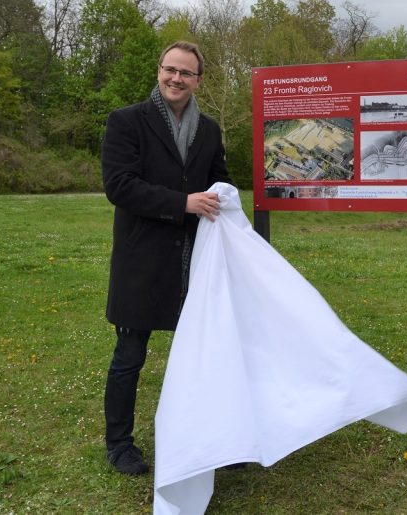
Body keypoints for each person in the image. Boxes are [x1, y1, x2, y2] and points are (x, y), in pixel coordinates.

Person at [101, 41, 233, 475]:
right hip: (143, 260)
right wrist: (183, 203)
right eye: (169, 69)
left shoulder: (209, 129)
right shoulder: (126, 122)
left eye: (186, 73)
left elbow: (218, 179)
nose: (176, 78)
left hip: (196, 260)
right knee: (130, 355)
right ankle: (120, 444)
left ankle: (211, 440)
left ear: (198, 80)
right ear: (159, 71)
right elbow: (120, 186)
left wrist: (223, 198)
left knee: (204, 355)